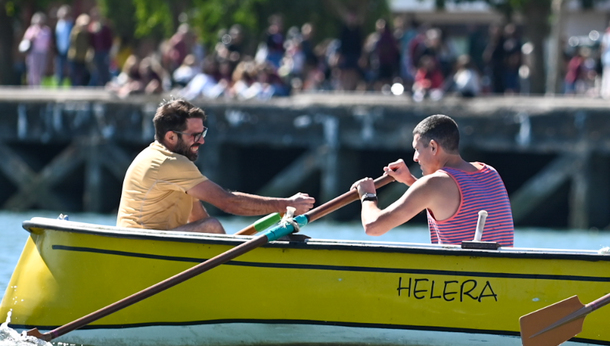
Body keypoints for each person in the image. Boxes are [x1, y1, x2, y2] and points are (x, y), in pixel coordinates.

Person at [117, 98, 314, 233]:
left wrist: (224, 245)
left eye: (203, 133)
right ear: (171, 137)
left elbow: (198, 217)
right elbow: (228, 202)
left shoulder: (160, 159)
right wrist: (286, 204)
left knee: (208, 226)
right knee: (211, 225)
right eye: (195, 135)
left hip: (147, 243)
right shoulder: (170, 162)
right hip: (141, 244)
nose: (202, 141)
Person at [352, 114, 514, 246]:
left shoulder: (433, 184)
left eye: (417, 149)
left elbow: (373, 227)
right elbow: (444, 202)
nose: (415, 158)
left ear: (433, 147)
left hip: (462, 275)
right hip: (503, 274)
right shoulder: (489, 172)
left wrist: (368, 195)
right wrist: (409, 180)